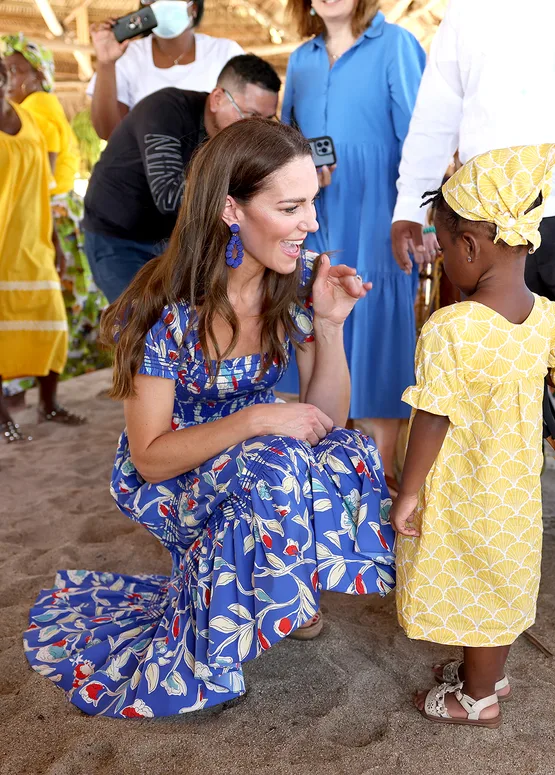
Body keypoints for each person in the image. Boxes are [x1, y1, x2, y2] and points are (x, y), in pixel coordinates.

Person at [23, 119, 396, 718]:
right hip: (173, 470)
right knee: (272, 459)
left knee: (350, 451)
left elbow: (324, 420)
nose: (312, 224)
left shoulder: (290, 285)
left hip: (255, 447)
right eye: (291, 206)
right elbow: (148, 455)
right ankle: (243, 605)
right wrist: (255, 420)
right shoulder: (163, 308)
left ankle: (282, 587)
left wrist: (329, 326)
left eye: (313, 203)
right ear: (231, 209)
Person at [391, 0, 555, 580]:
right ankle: (470, 516)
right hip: (487, 218)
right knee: (481, 371)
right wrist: (412, 205)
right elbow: (440, 108)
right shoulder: (469, 9)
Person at [391, 144, 555, 727]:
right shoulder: (549, 318)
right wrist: (543, 361)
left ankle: (477, 698)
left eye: (442, 242)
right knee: (499, 571)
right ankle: (487, 670)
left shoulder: (451, 328)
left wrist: (408, 491)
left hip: (464, 483)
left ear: (468, 246)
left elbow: (432, 418)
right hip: (513, 487)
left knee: (471, 569)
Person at [280, 0, 426, 489]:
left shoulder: (396, 46)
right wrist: (301, 167)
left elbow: (419, 138)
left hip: (381, 213)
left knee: (381, 330)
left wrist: (421, 222)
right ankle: (323, 474)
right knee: (313, 322)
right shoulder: (301, 59)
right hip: (315, 216)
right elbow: (286, 140)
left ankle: (379, 477)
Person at [83, 54, 281, 304]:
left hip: (171, 243)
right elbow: (169, 196)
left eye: (267, 120)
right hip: (118, 239)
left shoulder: (236, 141)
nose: (257, 130)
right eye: (250, 115)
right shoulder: (166, 110)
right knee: (139, 330)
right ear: (218, 98)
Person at [2, 35, 111, 381]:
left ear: (38, 74)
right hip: (48, 211)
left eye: (17, 70)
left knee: (62, 298)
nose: (12, 78)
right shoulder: (39, 106)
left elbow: (42, 175)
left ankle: (61, 372)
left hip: (48, 211)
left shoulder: (37, 107)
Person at [0, 58, 84, 444]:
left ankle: (47, 404)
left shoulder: (29, 118)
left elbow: (42, 185)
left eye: (4, 71)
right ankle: (3, 417)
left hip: (32, 241)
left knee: (51, 326)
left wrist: (52, 238)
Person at [88, 0, 243, 139]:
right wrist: (105, 63)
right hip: (146, 168)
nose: (164, 3)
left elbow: (249, 121)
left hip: (214, 166)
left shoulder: (225, 52)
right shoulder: (126, 56)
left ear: (194, 7)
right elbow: (109, 133)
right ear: (145, 7)